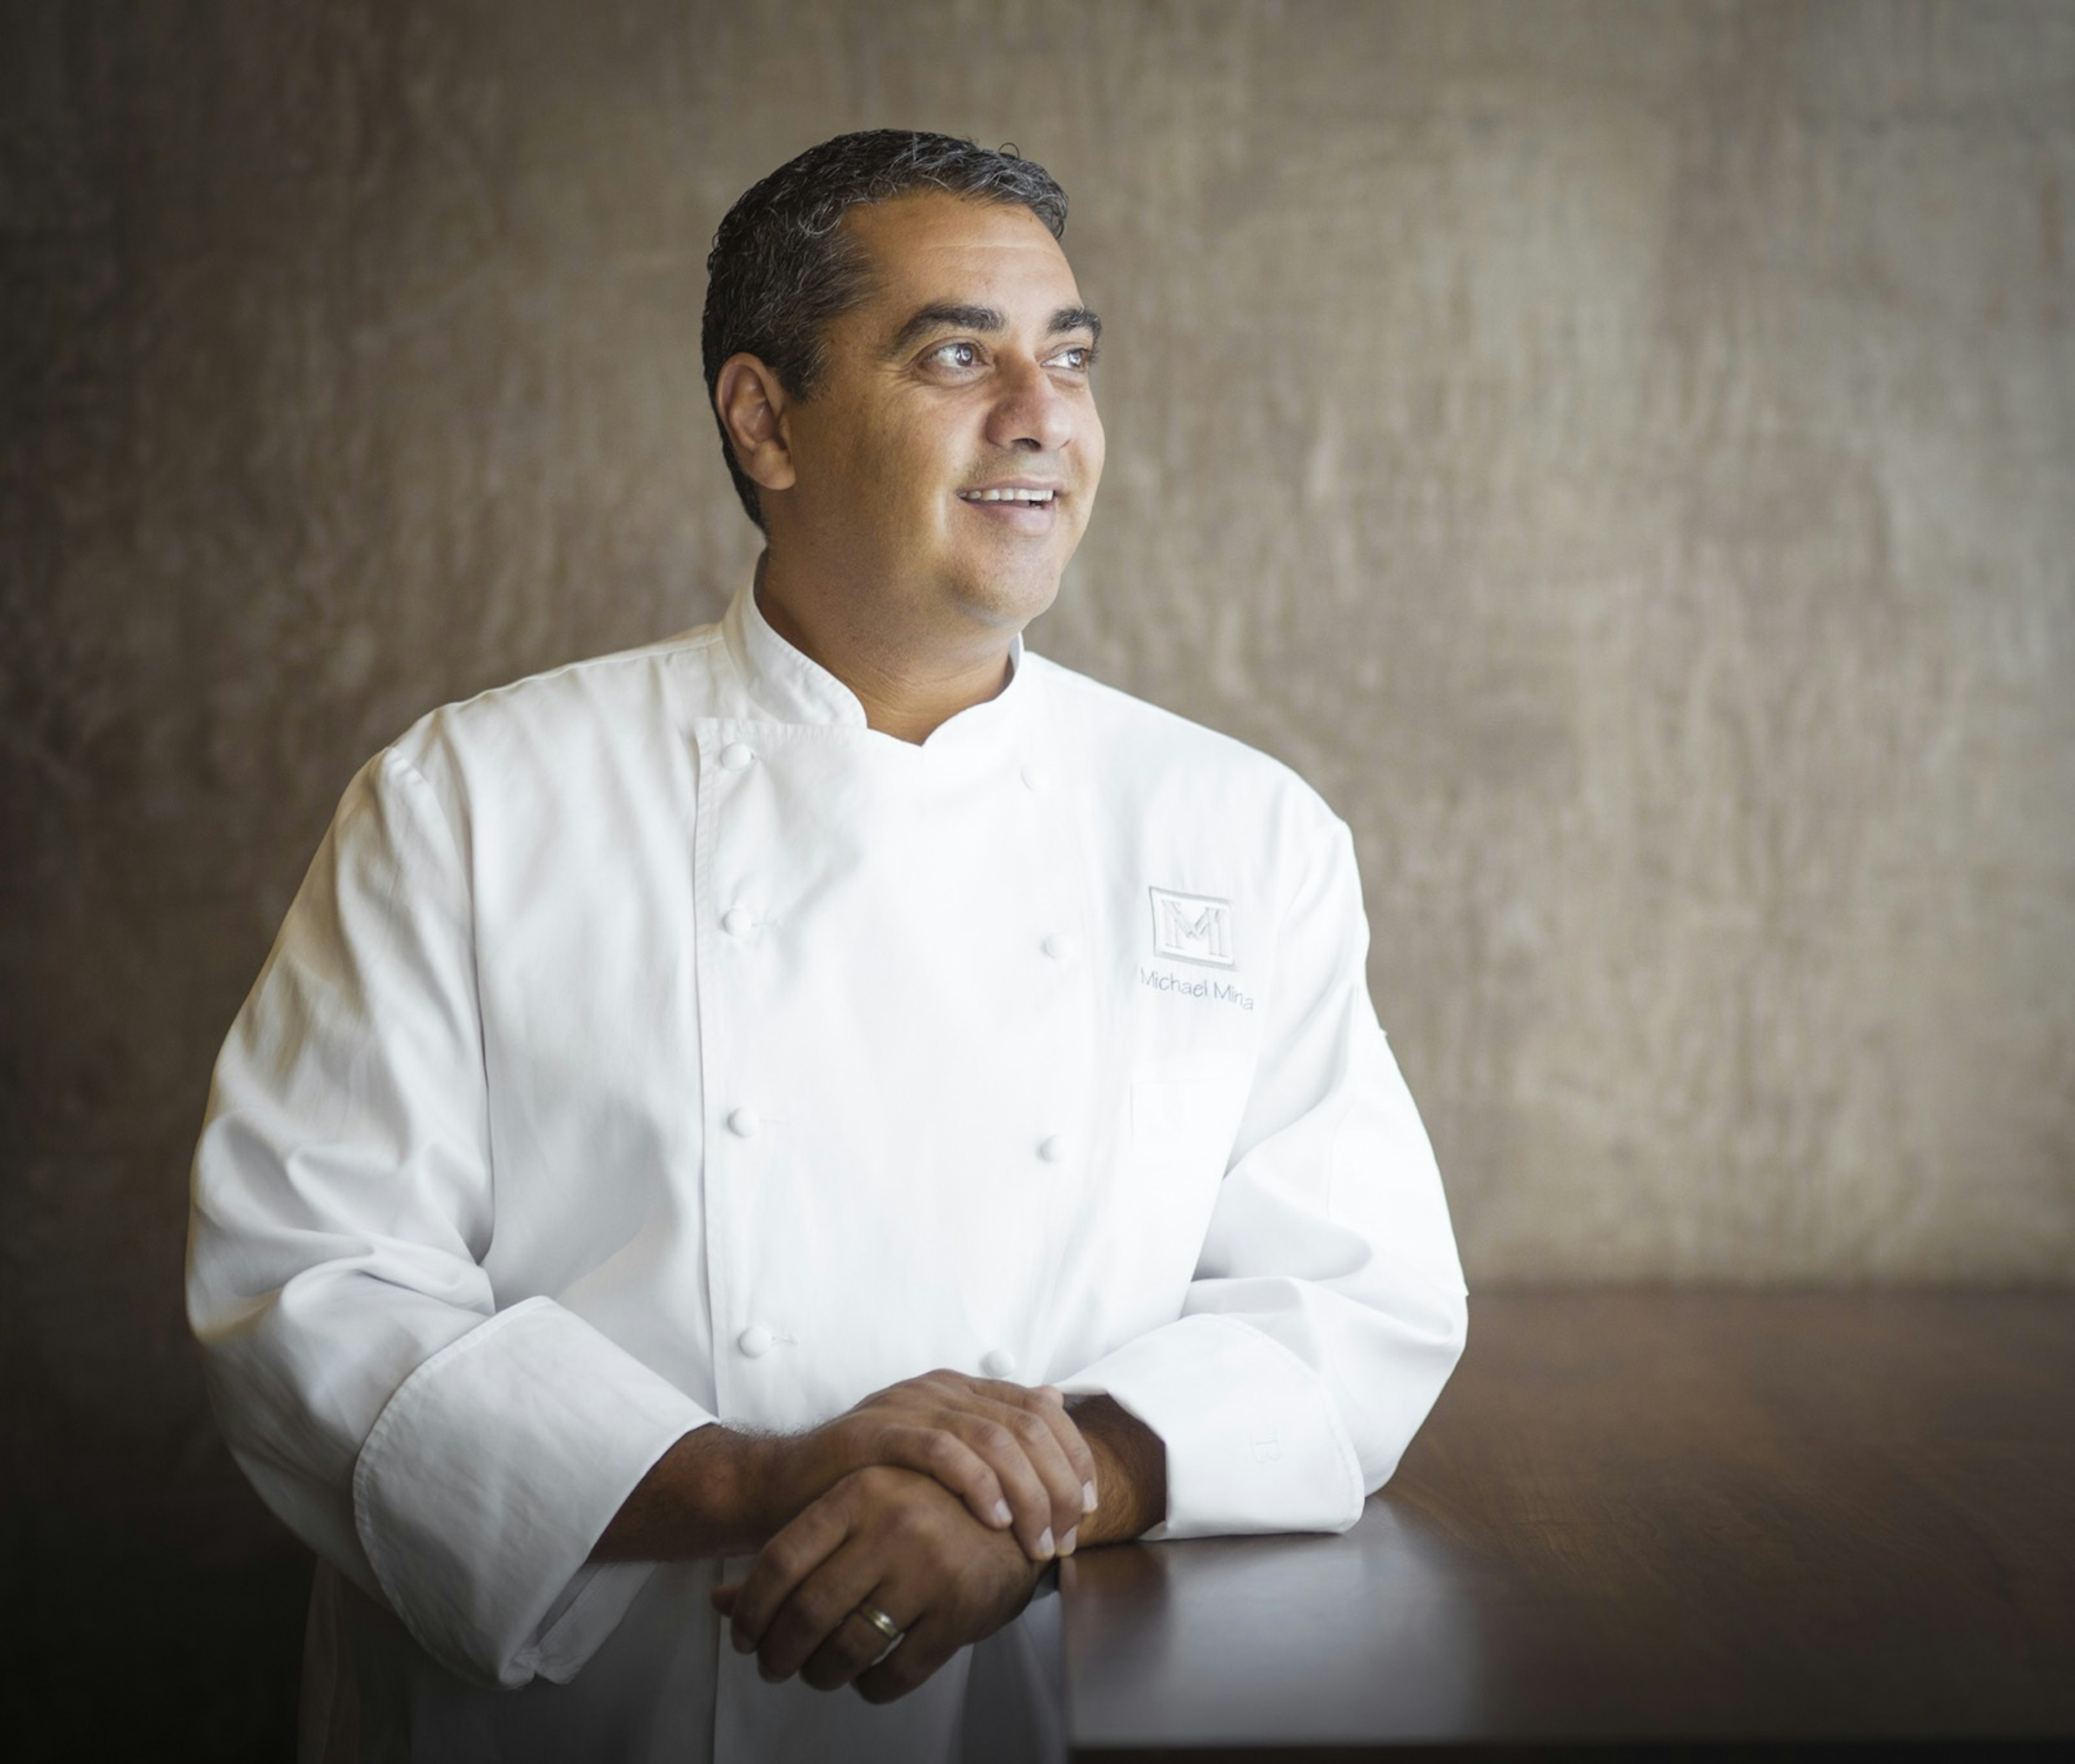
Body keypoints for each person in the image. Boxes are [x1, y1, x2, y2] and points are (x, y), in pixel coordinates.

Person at [187, 129, 1468, 1763]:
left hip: (1045, 1691)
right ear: (764, 418)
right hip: (602, 1704)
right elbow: (309, 1293)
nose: (1041, 416)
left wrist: (1037, 1498)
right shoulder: (475, 801)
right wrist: (763, 1480)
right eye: (958, 354)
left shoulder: (1239, 828)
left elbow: (1356, 1305)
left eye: (1068, 358)